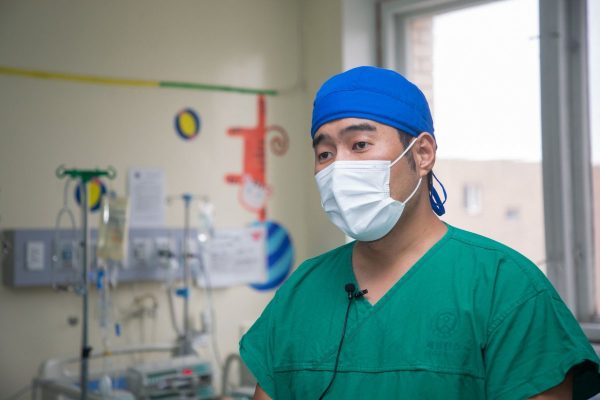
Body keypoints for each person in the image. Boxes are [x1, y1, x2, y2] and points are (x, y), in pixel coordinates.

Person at [239, 66, 600, 399]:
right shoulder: (301, 292)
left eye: (360, 145)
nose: (339, 167)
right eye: (324, 153)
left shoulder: (504, 286)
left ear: (423, 153)